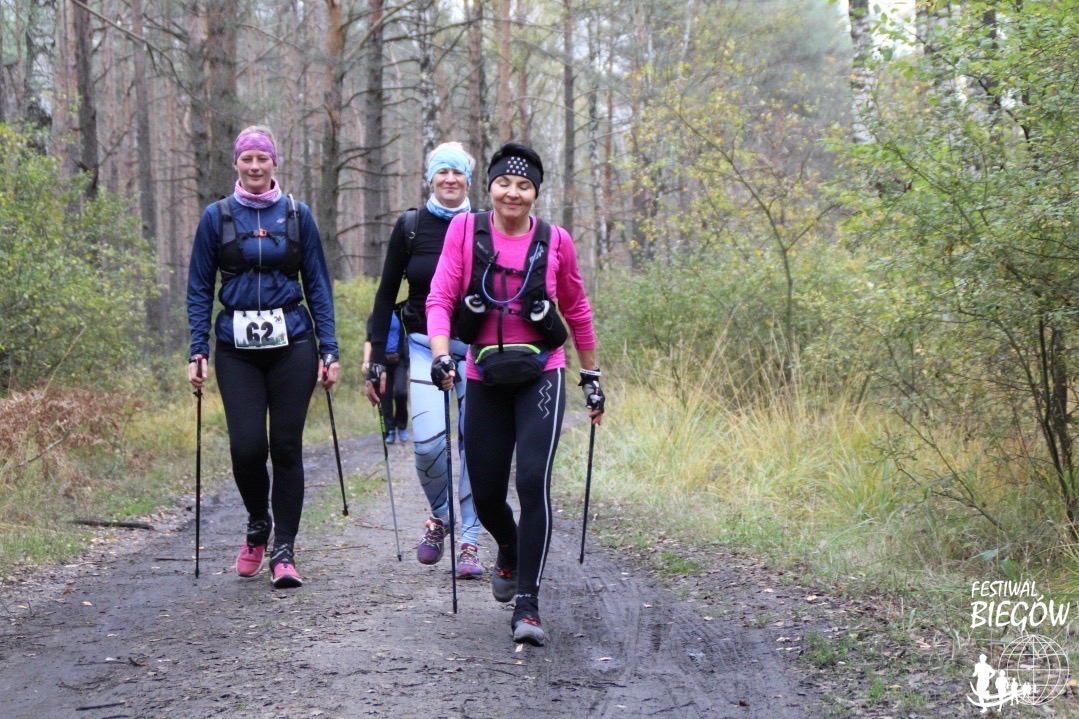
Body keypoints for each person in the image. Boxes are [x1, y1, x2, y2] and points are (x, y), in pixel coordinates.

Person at [426, 142, 606, 646]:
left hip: (541, 374)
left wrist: (591, 376)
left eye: (524, 186)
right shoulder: (465, 231)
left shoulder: (556, 240)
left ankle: (528, 603)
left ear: (535, 194)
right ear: (489, 188)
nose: (513, 193)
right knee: (485, 495)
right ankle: (508, 546)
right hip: (482, 374)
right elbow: (440, 297)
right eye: (504, 182)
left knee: (531, 481)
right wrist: (441, 354)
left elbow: (577, 308)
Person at [187, 125, 339, 590]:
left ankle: (284, 551)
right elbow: (199, 287)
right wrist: (197, 347)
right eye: (247, 158)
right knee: (247, 447)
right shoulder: (216, 217)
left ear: (274, 162)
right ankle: (259, 522)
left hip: (294, 343)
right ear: (236, 163)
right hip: (237, 349)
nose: (255, 166)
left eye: (262, 158)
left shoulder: (296, 214)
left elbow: (318, 284)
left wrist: (329, 348)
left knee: (287, 447)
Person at [365, 141, 483, 578]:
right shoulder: (411, 226)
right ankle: (441, 516)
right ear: (430, 178)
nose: (450, 179)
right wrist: (377, 356)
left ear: (468, 180)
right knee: (429, 444)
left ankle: (470, 540)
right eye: (442, 172)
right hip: (420, 345)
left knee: (475, 446)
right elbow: (385, 293)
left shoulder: (483, 225)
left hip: (475, 350)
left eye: (457, 172)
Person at [363, 309, 410, 443]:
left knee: (401, 392)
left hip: (399, 360)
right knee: (384, 396)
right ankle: (390, 430)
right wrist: (366, 361)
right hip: (382, 361)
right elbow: (369, 339)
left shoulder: (401, 312)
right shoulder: (376, 313)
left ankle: (401, 425)